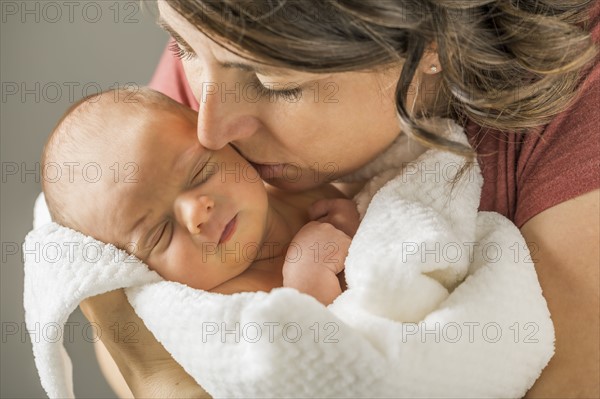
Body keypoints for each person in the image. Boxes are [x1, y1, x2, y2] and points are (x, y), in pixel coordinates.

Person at [79, 1, 600, 397]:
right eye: (182, 48)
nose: (209, 129)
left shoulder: (579, 100)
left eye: (273, 83)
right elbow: (119, 315)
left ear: (434, 44)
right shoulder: (224, 36)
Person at [42, 87, 359, 306]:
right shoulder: (224, 303)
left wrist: (354, 225)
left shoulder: (294, 183)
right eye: (160, 232)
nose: (197, 213)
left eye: (199, 172)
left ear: (220, 137)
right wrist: (309, 279)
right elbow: (298, 363)